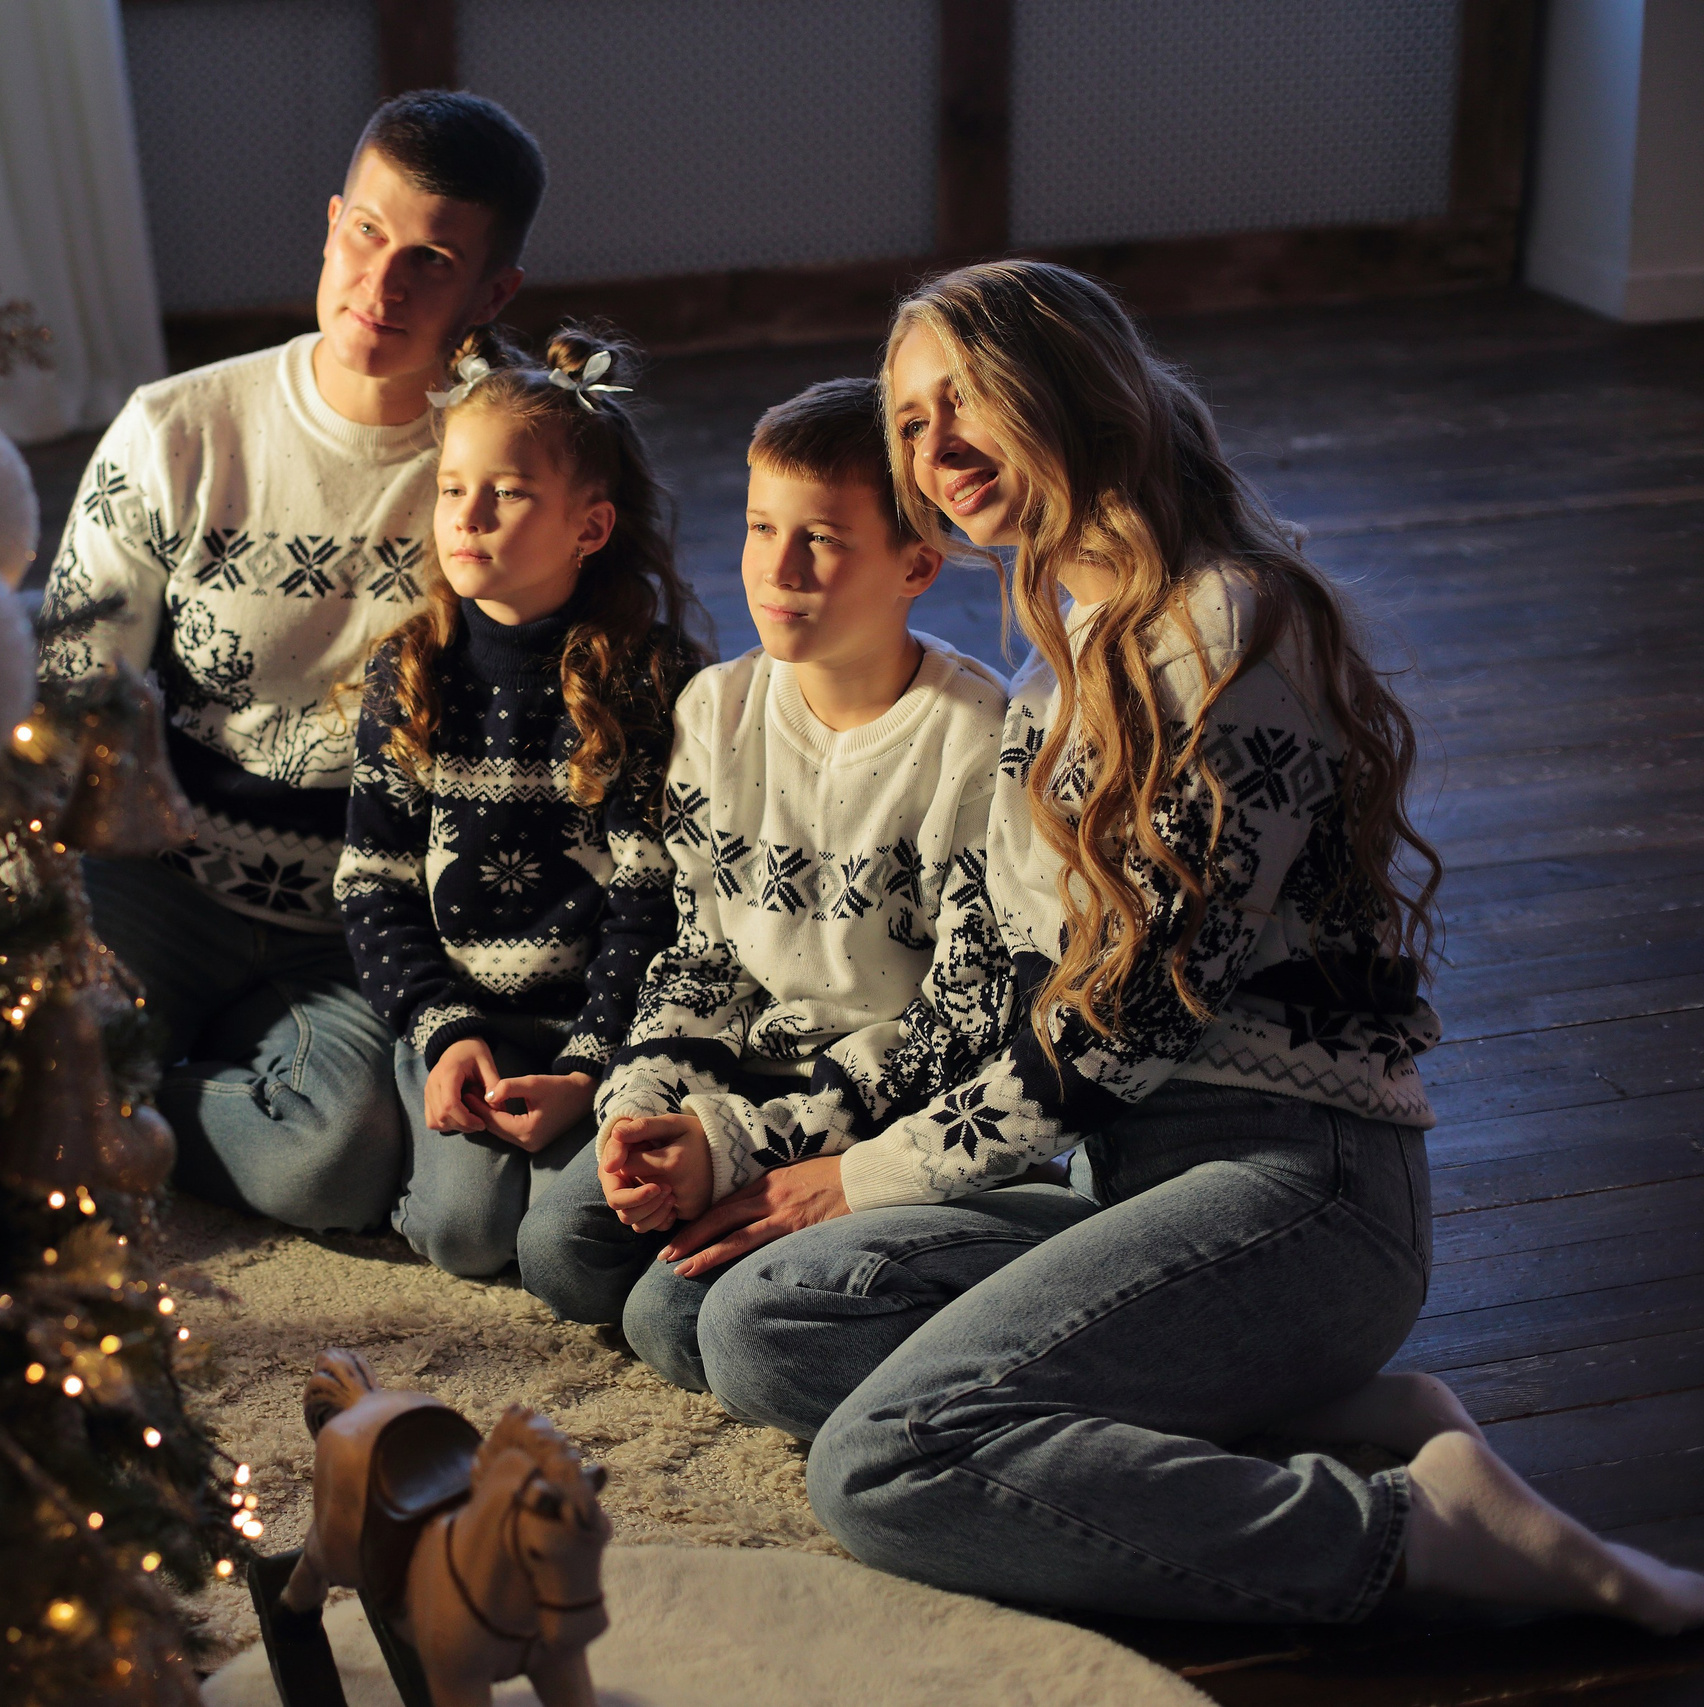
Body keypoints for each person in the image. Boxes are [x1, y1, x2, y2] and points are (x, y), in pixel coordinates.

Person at [690, 259, 1704, 1633]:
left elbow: (1127, 1024)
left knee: (887, 1459)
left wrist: (864, 1177)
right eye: (907, 424)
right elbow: (988, 993)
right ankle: (1330, 1414)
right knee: (757, 1320)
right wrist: (770, 1142)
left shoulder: (1231, 628)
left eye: (954, 402)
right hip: (1137, 1181)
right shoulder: (1056, 672)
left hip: (1303, 1190)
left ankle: (1418, 1529)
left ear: (1062, 383)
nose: (928, 450)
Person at [39, 92, 545, 1232]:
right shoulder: (178, 429)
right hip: (156, 879)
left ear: (490, 293)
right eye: (366, 233)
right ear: (329, 224)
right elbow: (72, 697)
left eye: (433, 258)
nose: (384, 284)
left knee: (331, 1165)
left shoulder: (511, 468)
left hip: (361, 924)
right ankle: (132, 1063)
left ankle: (158, 1087)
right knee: (6, 1089)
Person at [514, 376, 1022, 1391]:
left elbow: (957, 1026)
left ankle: (971, 1301)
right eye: (759, 527)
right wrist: (644, 1105)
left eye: (822, 540)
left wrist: (739, 1149)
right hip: (745, 1077)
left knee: (670, 1321)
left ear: (915, 563)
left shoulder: (973, 737)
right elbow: (698, 945)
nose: (777, 569)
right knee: (559, 1250)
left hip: (887, 1115)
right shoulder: (717, 708)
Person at [336, 325, 707, 1278]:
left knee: (568, 1246)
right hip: (463, 1020)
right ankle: (407, 1141)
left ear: (589, 527)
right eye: (455, 489)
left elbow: (654, 899)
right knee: (465, 1237)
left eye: (508, 493)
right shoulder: (410, 672)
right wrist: (442, 1028)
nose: (469, 516)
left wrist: (589, 1064)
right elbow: (372, 883)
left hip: (601, 1024)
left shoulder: (647, 680)